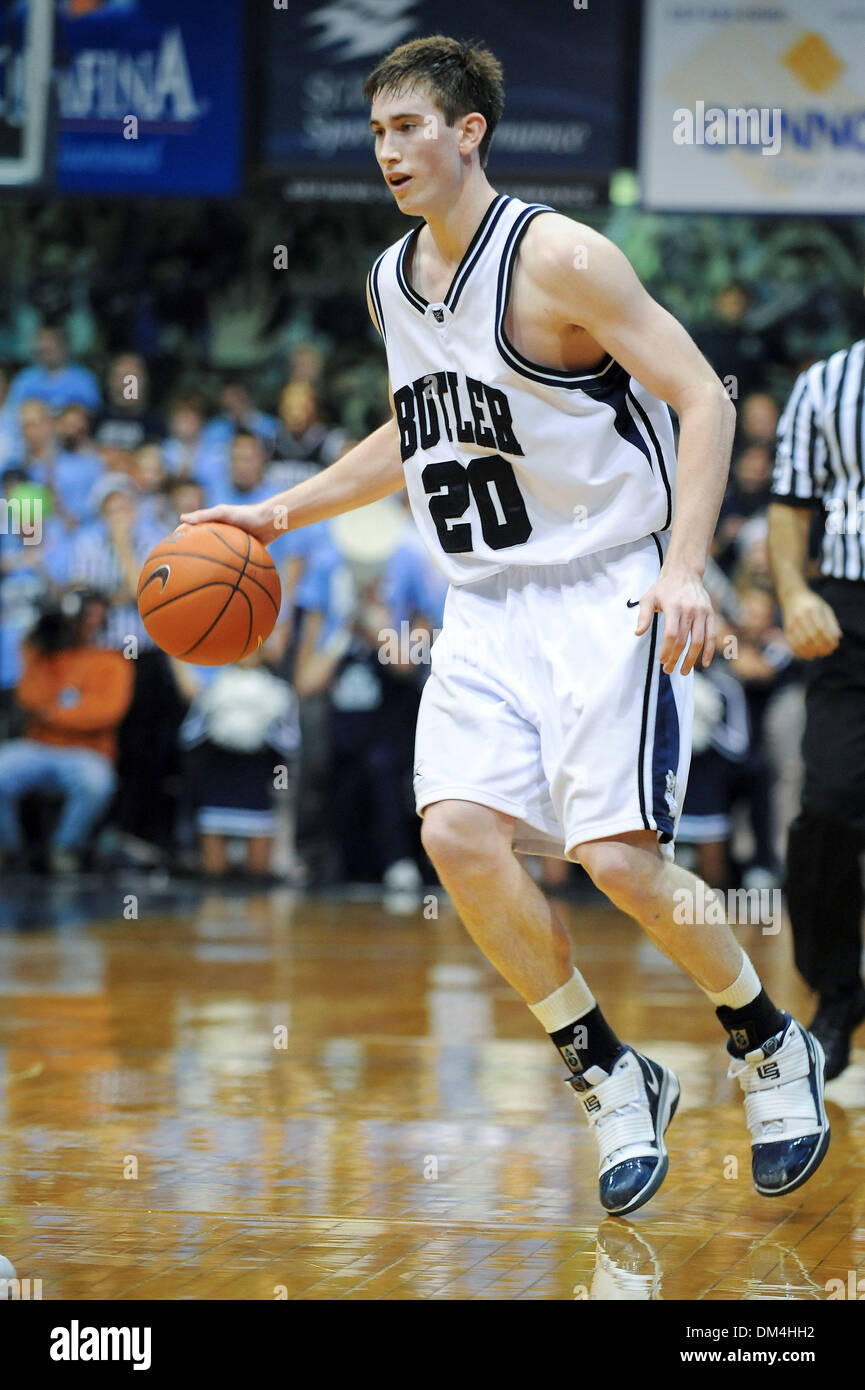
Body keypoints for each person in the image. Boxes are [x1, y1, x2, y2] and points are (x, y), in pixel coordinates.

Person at [182, 36, 829, 1214]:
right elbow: (412, 429)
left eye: (409, 128)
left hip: (604, 586)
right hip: (483, 600)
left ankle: (767, 1043)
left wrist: (686, 567)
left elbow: (700, 396)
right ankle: (606, 1069)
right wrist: (281, 510)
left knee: (619, 860)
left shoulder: (560, 257)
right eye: (377, 133)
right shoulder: (388, 282)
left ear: (467, 131)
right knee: (459, 838)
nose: (389, 151)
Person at [768, 336, 865, 1079]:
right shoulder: (826, 384)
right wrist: (796, 594)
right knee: (827, 804)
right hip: (847, 613)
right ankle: (835, 993)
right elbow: (788, 511)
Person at [0, 589, 133, 873]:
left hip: (87, 753)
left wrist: (53, 714)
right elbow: (28, 698)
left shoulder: (113, 661)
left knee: (96, 783)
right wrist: (38, 646)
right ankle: (9, 851)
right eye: (83, 614)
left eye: (95, 614)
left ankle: (65, 849)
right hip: (38, 747)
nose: (87, 621)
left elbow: (107, 713)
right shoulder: (44, 653)